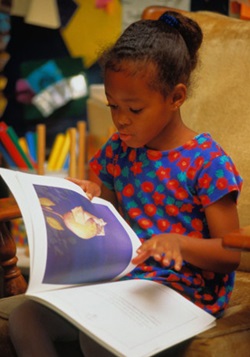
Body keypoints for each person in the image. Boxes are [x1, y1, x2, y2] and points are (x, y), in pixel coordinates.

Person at [9, 10, 242, 356]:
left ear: (176, 98)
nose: (119, 120)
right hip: (123, 283)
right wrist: (91, 195)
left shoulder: (208, 163)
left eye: (134, 109)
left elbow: (232, 253)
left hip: (185, 294)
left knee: (96, 339)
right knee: (25, 316)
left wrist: (180, 244)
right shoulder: (119, 151)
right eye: (113, 105)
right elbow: (111, 214)